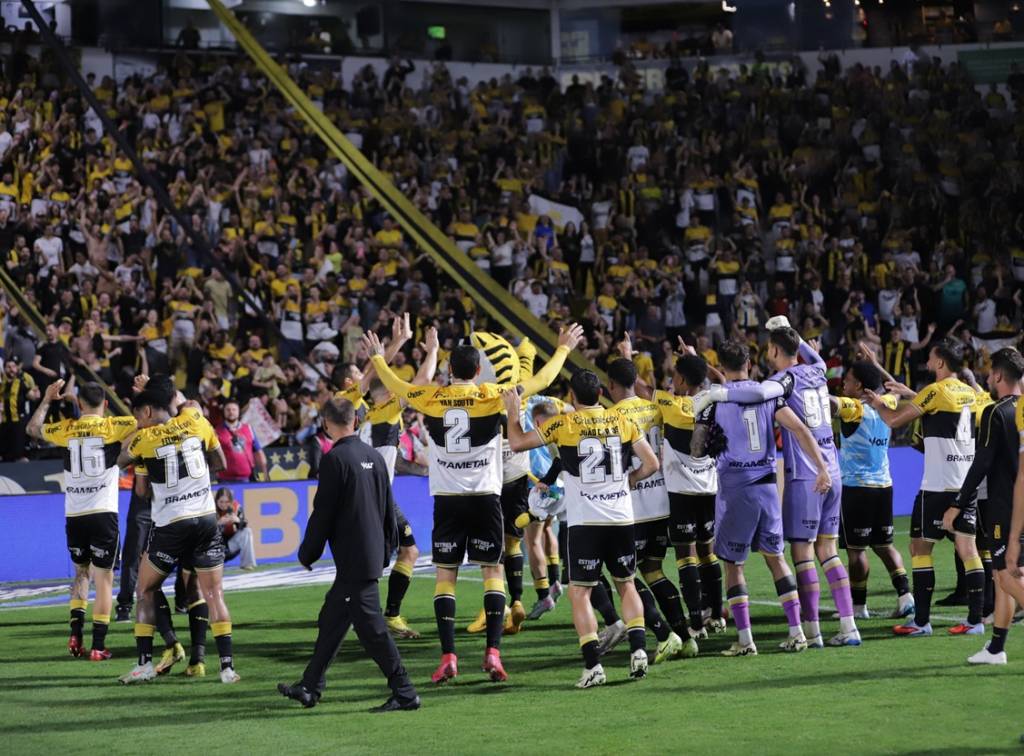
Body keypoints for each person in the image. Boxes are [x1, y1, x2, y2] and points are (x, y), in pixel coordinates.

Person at [363, 321, 583, 685]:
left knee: (445, 577)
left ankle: (448, 657)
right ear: (479, 370)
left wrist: (377, 357)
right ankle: (493, 653)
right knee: (491, 573)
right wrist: (563, 348)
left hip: (448, 502)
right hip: (485, 499)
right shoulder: (491, 394)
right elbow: (542, 380)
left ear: (450, 371)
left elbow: (395, 386)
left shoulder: (431, 397)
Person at [696, 319, 860, 647]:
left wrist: (717, 393)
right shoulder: (817, 370)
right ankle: (847, 625)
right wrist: (789, 329)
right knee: (827, 551)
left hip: (802, 475)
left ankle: (810, 631)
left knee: (801, 555)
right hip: (831, 467)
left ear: (772, 350)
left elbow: (757, 393)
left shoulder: (780, 381)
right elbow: (813, 358)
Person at [504, 369, 660, 688]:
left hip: (586, 522)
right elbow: (652, 463)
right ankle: (639, 651)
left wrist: (512, 412)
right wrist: (629, 480)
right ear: (600, 393)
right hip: (621, 518)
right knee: (627, 584)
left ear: (572, 397)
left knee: (579, 592)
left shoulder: (564, 424)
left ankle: (593, 667)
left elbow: (517, 443)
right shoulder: (622, 420)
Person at [277, 397, 420, 711]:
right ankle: (310, 686)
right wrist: (386, 549)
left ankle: (406, 692)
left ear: (326, 424)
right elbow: (388, 508)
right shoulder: (374, 456)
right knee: (331, 620)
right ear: (356, 421)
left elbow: (323, 514)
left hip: (354, 559)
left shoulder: (334, 459)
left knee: (373, 631)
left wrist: (308, 553)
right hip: (370, 554)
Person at [116, 385, 238, 685]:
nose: (138, 422)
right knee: (214, 594)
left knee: (145, 589)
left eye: (138, 417)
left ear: (147, 412)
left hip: (172, 524)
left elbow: (122, 464)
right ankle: (227, 668)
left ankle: (145, 664)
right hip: (206, 520)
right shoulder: (196, 419)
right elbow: (221, 463)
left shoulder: (144, 438)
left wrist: (142, 450)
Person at [867, 338, 980, 637]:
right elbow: (940, 408)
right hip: (965, 483)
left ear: (940, 362)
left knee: (919, 547)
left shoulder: (935, 391)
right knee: (968, 550)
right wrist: (906, 391)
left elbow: (894, 421)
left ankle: (921, 622)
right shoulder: (969, 393)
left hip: (938, 486)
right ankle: (976, 620)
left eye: (930, 357)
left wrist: (878, 405)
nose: (927, 362)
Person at [26, 380, 137, 660]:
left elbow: (32, 429)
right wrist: (140, 395)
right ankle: (98, 647)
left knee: (81, 574)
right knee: (104, 580)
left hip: (75, 515)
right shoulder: (114, 426)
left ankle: (76, 636)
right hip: (103, 513)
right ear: (106, 405)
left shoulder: (67, 428)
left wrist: (47, 399)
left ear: (79, 403)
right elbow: (148, 422)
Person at [606, 351, 693, 663]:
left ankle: (664, 634)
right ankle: (686, 637)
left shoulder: (613, 416)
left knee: (624, 577)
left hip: (636, 509)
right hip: (662, 502)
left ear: (611, 385)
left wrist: (631, 478)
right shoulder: (655, 408)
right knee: (653, 570)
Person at [831, 360, 914, 620]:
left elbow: (830, 403)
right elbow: (897, 389)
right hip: (884, 487)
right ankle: (906, 597)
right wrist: (877, 366)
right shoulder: (887, 403)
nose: (843, 385)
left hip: (857, 489)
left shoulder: (854, 408)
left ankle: (858, 608)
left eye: (847, 380)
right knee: (885, 546)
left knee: (856, 551)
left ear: (859, 385)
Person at [957, 349, 1024, 664]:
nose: (986, 378)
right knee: (1003, 576)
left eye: (989, 372)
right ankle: (996, 648)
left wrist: (958, 502)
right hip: (1017, 504)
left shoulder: (995, 412)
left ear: (998, 375)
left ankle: (996, 648)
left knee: (1006, 576)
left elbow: (982, 462)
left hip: (1005, 506)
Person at [653, 347, 724, 636]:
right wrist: (701, 362)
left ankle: (696, 624)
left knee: (686, 556)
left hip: (681, 491)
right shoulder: (715, 401)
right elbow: (725, 383)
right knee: (708, 552)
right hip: (709, 489)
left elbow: (640, 392)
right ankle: (716, 616)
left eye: (675, 377)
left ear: (681, 380)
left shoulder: (669, 403)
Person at [215, 400, 267, 482]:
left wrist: (265, 473)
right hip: (225, 479)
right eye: (228, 410)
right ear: (224, 412)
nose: (231, 412)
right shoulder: (217, 431)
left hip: (247, 479)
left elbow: (258, 452)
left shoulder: (248, 429)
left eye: (234, 409)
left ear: (239, 412)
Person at [0, 356, 39, 461]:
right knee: (5, 455)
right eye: (8, 367)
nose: (11, 369)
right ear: (4, 369)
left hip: (18, 422)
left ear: (17, 368)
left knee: (18, 454)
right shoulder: (2, 385)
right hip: (4, 422)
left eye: (13, 366)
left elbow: (33, 397)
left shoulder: (21, 383)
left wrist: (36, 394)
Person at [215, 488, 256, 570]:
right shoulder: (211, 509)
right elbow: (205, 531)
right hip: (214, 548)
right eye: (221, 502)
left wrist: (238, 521)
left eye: (227, 502)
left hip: (230, 546)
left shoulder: (236, 508)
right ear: (216, 501)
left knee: (247, 531)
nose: (224, 505)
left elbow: (244, 525)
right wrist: (218, 523)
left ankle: (247, 564)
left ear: (231, 501)